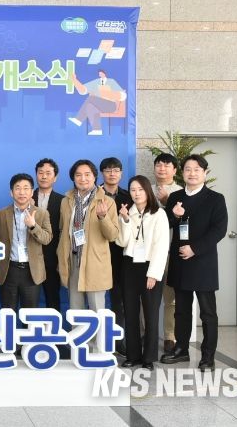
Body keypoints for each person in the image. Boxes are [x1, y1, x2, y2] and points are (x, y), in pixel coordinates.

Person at [161, 155, 227, 372]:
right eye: (188, 169)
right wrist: (174, 215)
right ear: (182, 173)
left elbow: (219, 230)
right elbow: (166, 224)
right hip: (180, 261)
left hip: (203, 262)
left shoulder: (215, 199)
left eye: (197, 169)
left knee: (207, 313)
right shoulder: (175, 197)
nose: (192, 173)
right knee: (181, 310)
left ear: (205, 173)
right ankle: (181, 349)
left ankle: (208, 356)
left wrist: (195, 249)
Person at [116, 175, 169, 369]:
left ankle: (149, 358)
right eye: (133, 190)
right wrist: (124, 220)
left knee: (150, 314)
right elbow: (121, 242)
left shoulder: (159, 214)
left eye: (140, 189)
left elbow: (162, 247)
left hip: (150, 267)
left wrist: (153, 274)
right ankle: (133, 355)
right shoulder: (127, 212)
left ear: (147, 191)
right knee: (130, 312)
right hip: (129, 266)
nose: (136, 193)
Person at [57, 159, 119, 311]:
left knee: (97, 311)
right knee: (76, 311)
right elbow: (62, 231)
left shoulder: (107, 202)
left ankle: (98, 330)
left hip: (94, 262)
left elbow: (113, 235)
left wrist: (103, 217)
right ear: (73, 178)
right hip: (73, 261)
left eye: (87, 174)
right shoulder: (66, 201)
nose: (83, 178)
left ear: (94, 176)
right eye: (78, 175)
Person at [0, 173, 52, 311]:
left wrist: (33, 226)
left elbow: (47, 239)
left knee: (30, 315)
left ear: (31, 192)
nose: (22, 192)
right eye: (18, 188)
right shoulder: (1, 214)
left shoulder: (42, 213)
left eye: (26, 188)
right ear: (11, 192)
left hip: (31, 271)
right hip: (8, 270)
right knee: (7, 313)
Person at [99, 157, 133, 354]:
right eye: (108, 170)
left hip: (121, 255)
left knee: (119, 300)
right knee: (97, 300)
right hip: (98, 253)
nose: (112, 174)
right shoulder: (94, 195)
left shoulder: (129, 197)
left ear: (121, 173)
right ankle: (98, 340)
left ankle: (119, 342)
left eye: (116, 170)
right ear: (102, 173)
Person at [151, 152, 183, 353]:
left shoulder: (181, 192)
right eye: (159, 165)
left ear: (175, 170)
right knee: (147, 297)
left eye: (167, 165)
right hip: (150, 252)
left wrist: (166, 201)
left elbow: (183, 221)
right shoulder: (146, 189)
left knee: (170, 298)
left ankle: (170, 336)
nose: (162, 169)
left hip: (172, 252)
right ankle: (147, 335)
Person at [32, 158, 64, 312]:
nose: (44, 176)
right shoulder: (26, 197)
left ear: (55, 177)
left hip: (52, 258)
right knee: (30, 299)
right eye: (40, 173)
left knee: (53, 297)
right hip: (30, 258)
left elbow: (63, 231)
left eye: (48, 173)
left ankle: (54, 326)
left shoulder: (63, 201)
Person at [68, 69, 127, 136]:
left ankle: (79, 119)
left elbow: (123, 95)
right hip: (100, 105)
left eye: (101, 73)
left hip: (111, 105)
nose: (100, 75)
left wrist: (109, 94)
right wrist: (74, 80)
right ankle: (97, 130)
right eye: (99, 74)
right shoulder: (96, 82)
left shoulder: (111, 81)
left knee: (91, 98)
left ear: (104, 74)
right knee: (90, 107)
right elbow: (82, 91)